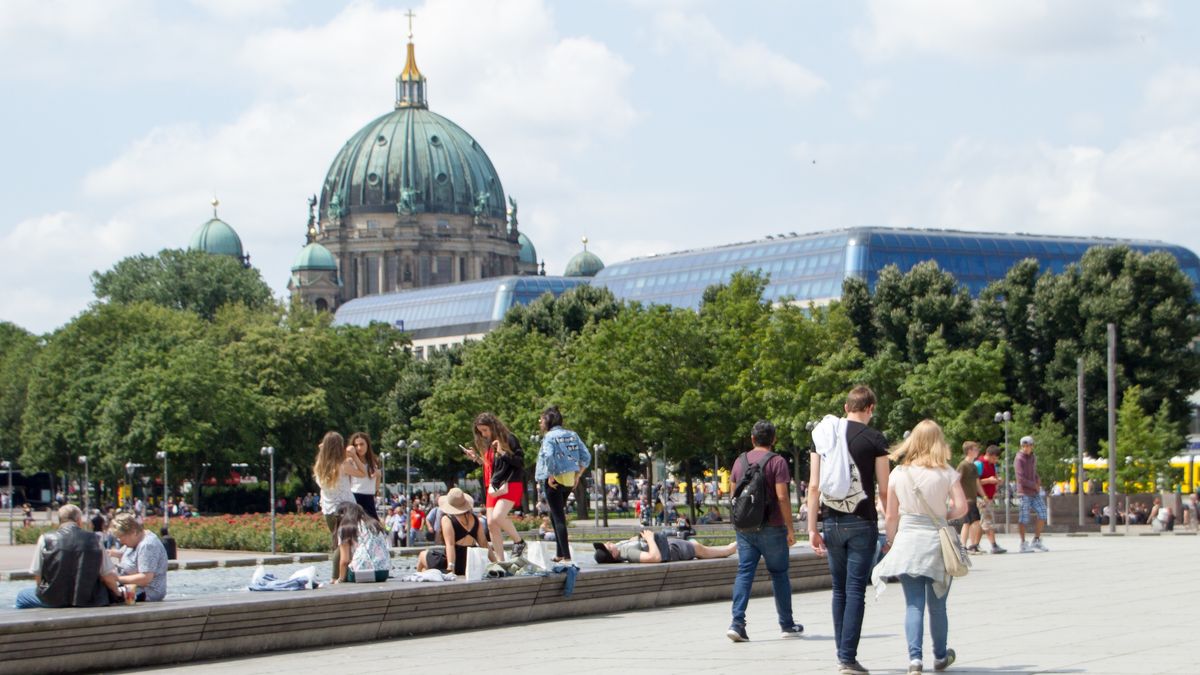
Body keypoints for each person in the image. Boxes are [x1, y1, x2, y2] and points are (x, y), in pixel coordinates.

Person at [872, 419, 969, 674]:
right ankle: (939, 656)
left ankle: (915, 660)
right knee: (937, 605)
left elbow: (891, 516)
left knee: (913, 604)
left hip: (908, 542)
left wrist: (891, 542)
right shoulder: (947, 472)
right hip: (937, 542)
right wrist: (942, 517)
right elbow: (962, 507)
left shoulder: (899, 473)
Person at [808, 385, 890, 675]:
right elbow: (884, 490)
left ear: (846, 407)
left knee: (839, 590)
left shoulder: (824, 436)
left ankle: (842, 655)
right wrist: (891, 528)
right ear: (870, 408)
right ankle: (847, 658)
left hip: (831, 521)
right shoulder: (876, 440)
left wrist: (811, 529)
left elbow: (814, 485)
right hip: (862, 521)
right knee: (855, 589)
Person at [727, 419, 803, 642]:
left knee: (744, 572)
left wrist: (738, 523)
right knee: (779, 574)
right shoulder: (777, 462)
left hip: (746, 528)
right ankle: (787, 625)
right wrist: (790, 528)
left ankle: (737, 623)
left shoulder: (739, 462)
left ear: (752, 439)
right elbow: (782, 496)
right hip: (773, 526)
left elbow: (733, 497)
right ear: (774, 439)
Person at [15, 504, 121, 609]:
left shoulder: (45, 539)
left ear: (59, 521)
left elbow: (38, 575)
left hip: (53, 600)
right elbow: (108, 577)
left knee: (22, 596)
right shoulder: (96, 540)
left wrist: (44, 592)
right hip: (88, 599)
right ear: (79, 520)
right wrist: (118, 594)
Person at [463, 412, 527, 561]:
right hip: (494, 486)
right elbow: (491, 467)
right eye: (480, 432)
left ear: (493, 426)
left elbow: (519, 462)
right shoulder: (489, 443)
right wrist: (476, 459)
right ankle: (500, 560)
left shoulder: (509, 439)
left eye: (485, 430)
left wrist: (502, 452)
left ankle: (519, 542)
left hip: (510, 483)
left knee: (498, 517)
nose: (483, 434)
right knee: (491, 523)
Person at [534, 406, 590, 563]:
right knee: (555, 514)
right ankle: (559, 553)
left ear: (548, 421)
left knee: (558, 517)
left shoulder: (549, 437)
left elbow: (549, 456)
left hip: (554, 480)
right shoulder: (572, 434)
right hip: (569, 480)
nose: (540, 422)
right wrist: (578, 474)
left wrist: (551, 474)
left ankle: (566, 556)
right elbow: (586, 456)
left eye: (542, 419)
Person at [313, 431, 366, 577]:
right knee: (344, 545)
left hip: (329, 510)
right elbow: (363, 473)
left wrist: (324, 448)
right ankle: (337, 576)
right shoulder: (343, 465)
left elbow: (323, 448)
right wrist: (354, 456)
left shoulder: (319, 467)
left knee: (338, 543)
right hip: (346, 509)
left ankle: (340, 575)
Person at [416, 488, 489, 577]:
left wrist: (451, 569)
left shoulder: (447, 519)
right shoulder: (475, 519)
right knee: (425, 569)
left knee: (422, 555)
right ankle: (422, 575)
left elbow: (450, 545)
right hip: (471, 563)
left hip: (456, 563)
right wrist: (494, 562)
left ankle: (416, 578)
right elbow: (484, 543)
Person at [108, 512, 169, 602]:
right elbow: (128, 555)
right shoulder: (135, 540)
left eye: (121, 537)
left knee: (102, 595)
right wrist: (110, 553)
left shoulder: (147, 545)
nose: (120, 541)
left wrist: (116, 579)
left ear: (133, 532)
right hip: (130, 587)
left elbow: (145, 578)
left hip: (144, 592)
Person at [593, 529, 735, 564]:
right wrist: (649, 539)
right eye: (607, 547)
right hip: (671, 549)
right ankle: (730, 549)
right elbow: (654, 557)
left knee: (698, 547)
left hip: (668, 544)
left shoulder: (620, 548)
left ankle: (730, 547)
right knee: (701, 550)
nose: (608, 544)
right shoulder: (628, 553)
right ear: (613, 555)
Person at [331, 502, 390, 583]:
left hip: (359, 573)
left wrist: (340, 579)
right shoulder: (374, 524)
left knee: (346, 574)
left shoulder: (345, 528)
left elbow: (345, 560)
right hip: (383, 573)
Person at [1014, 436, 1048, 553]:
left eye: (1029, 445)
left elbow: (1033, 471)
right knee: (1024, 517)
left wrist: (1037, 479)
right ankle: (1023, 543)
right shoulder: (1019, 459)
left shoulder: (1033, 457)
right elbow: (1020, 478)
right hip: (1024, 492)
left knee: (1043, 512)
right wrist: (1034, 485)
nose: (1027, 448)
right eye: (1024, 446)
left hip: (1034, 491)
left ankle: (1036, 540)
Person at [972, 445, 1006, 554]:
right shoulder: (979, 464)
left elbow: (993, 478)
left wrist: (997, 481)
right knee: (988, 521)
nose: (996, 461)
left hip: (989, 497)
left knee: (984, 522)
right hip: (981, 498)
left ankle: (975, 545)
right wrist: (988, 480)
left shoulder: (992, 465)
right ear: (989, 455)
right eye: (995, 458)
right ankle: (993, 545)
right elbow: (973, 482)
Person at [956, 442, 985, 554]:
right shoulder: (963, 465)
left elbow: (977, 483)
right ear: (969, 451)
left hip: (972, 499)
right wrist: (955, 498)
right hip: (966, 499)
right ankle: (968, 545)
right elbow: (956, 480)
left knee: (969, 522)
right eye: (975, 449)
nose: (977, 451)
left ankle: (965, 545)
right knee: (974, 522)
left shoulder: (973, 466)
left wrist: (984, 496)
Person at [347, 432, 381, 520]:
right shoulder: (351, 461)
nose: (359, 448)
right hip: (355, 496)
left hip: (369, 497)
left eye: (362, 444)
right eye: (356, 445)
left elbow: (376, 488)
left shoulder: (374, 461)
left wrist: (379, 476)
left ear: (367, 445)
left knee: (374, 527)